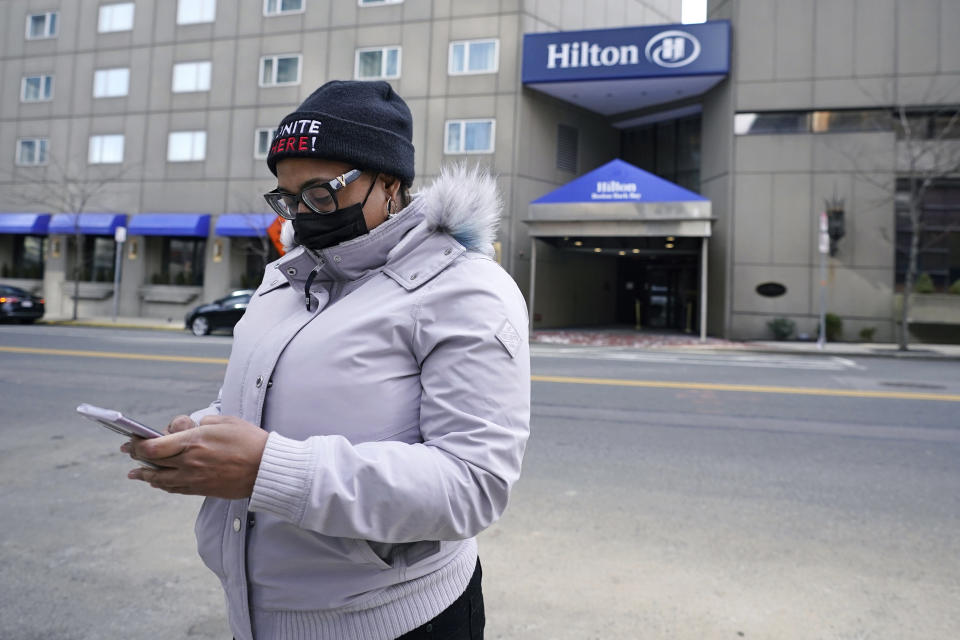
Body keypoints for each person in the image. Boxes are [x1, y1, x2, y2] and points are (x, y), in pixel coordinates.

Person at [124, 80, 531, 640]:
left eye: (321, 191)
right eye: (289, 198)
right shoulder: (283, 279)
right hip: (260, 611)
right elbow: (257, 398)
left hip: (396, 621)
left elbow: (472, 485)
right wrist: (199, 433)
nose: (303, 214)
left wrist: (265, 468)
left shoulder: (464, 289)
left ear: (389, 182)